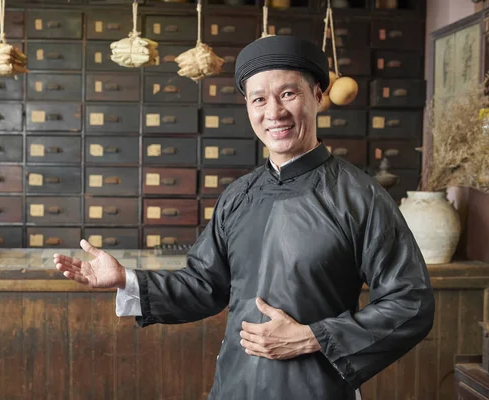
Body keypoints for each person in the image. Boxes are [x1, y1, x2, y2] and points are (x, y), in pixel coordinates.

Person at [54, 35, 435, 400]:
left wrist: (313, 336)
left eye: (288, 93)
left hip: (317, 390)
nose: (274, 112)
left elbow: (410, 302)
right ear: (249, 108)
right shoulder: (238, 196)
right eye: (259, 99)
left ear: (317, 96)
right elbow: (205, 286)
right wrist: (127, 279)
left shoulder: (360, 195)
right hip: (234, 387)